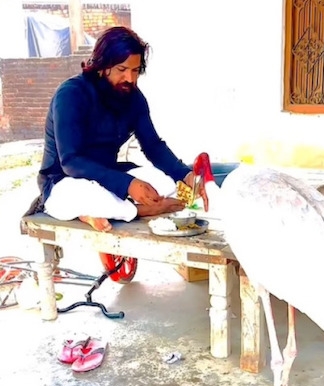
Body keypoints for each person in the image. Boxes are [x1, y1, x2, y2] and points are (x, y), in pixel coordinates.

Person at [23, 26, 207, 232]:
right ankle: (137, 210)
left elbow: (153, 145)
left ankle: (107, 211)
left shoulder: (133, 97)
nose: (130, 78)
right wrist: (128, 184)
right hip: (64, 182)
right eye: (122, 69)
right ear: (102, 66)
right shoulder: (71, 94)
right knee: (85, 195)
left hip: (108, 176)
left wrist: (184, 174)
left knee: (165, 184)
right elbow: (71, 161)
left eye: (135, 70)